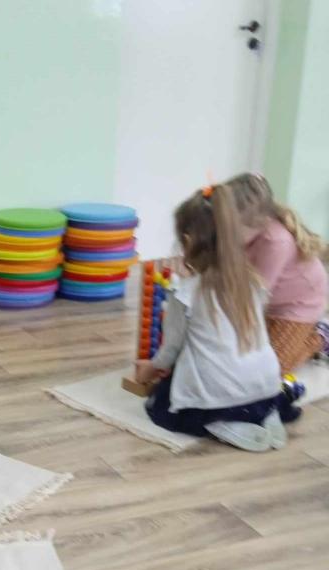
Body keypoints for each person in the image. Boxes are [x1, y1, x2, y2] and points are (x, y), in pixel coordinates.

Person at [136, 184, 285, 451]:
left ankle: (221, 424)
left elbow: (172, 348)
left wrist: (151, 367)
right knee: (244, 387)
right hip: (266, 384)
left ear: (188, 241)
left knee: (162, 404)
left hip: (218, 393)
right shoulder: (253, 282)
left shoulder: (185, 292)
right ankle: (266, 414)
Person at [226, 172, 328, 373]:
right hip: (273, 301)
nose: (227, 232)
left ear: (258, 221)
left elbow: (255, 295)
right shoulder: (247, 230)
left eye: (233, 226)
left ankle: (320, 337)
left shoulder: (275, 241)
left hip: (299, 304)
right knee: (246, 354)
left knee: (272, 368)